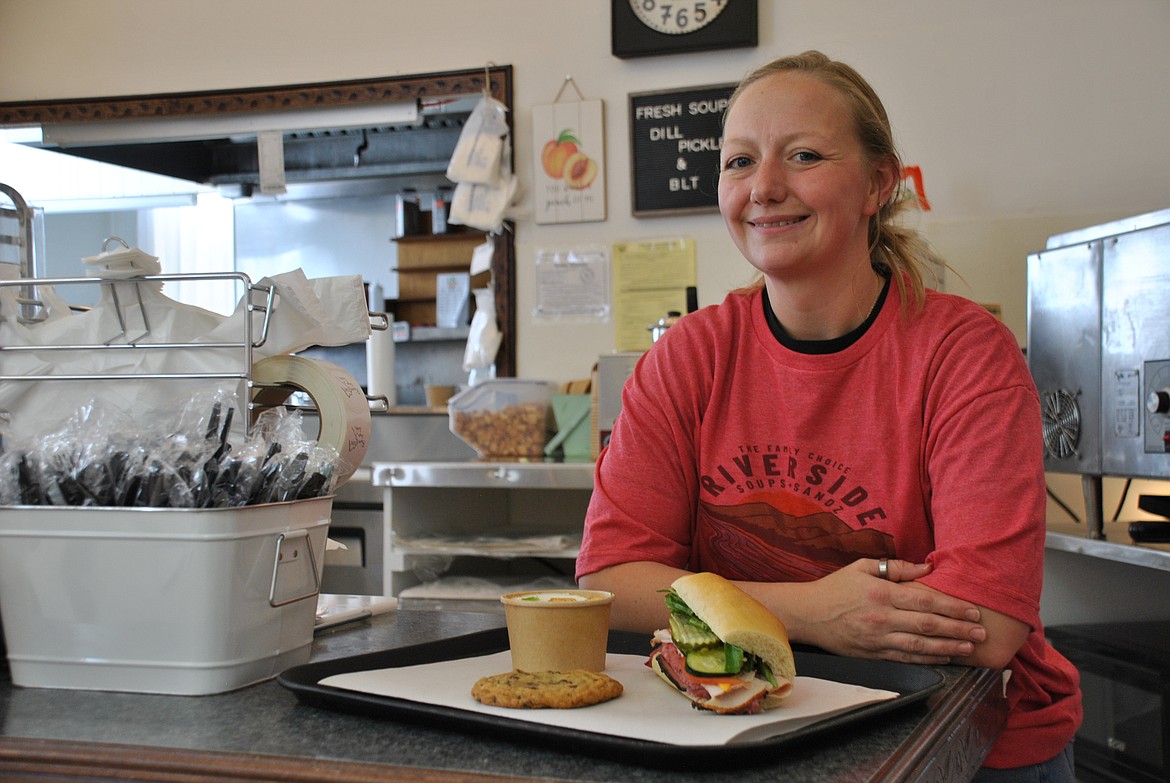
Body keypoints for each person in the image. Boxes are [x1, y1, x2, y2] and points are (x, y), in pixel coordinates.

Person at [576, 51, 1081, 780]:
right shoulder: (690, 356)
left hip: (976, 739)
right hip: (756, 720)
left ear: (880, 183)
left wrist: (713, 601)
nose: (765, 188)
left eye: (804, 155)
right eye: (740, 161)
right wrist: (814, 610)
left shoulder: (965, 354)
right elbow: (610, 582)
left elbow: (989, 626)